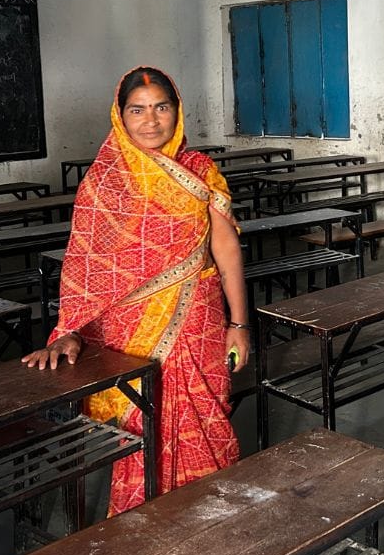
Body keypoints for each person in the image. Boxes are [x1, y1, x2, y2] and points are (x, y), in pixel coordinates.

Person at [22, 66, 250, 515]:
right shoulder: (104, 181)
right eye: (138, 109)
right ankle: (143, 529)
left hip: (198, 318)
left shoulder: (200, 169)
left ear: (177, 111)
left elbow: (226, 251)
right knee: (141, 423)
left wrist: (240, 324)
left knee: (203, 416)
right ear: (120, 116)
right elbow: (88, 265)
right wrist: (69, 329)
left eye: (161, 107)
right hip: (128, 329)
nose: (151, 120)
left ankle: (213, 521)